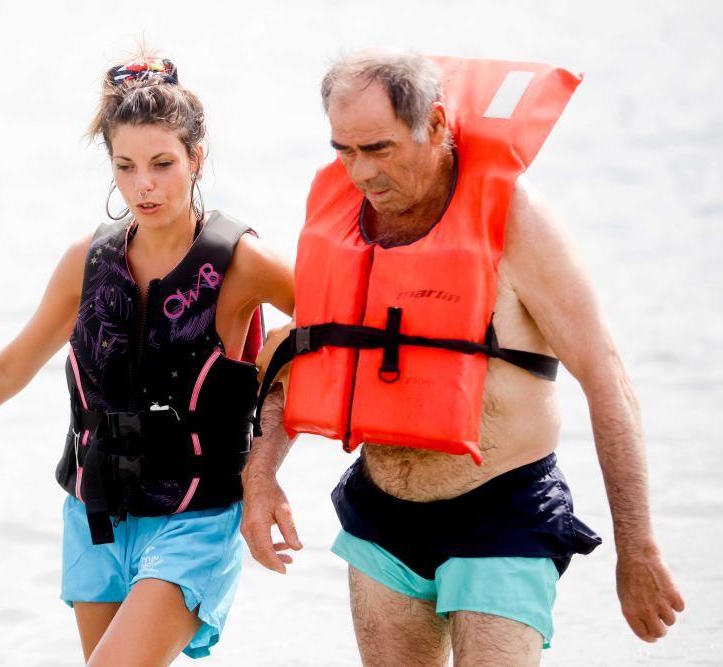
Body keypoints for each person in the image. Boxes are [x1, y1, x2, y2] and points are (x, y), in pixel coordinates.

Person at [243, 52, 684, 666]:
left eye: (380, 148)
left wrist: (636, 548)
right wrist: (260, 473)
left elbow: (609, 381)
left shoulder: (515, 220)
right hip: (381, 517)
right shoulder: (343, 218)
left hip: (501, 514)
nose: (362, 172)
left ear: (437, 123)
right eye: (345, 151)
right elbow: (301, 350)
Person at [0, 54, 294, 666]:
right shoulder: (87, 261)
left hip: (194, 517)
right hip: (95, 511)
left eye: (161, 165)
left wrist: (266, 456)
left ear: (196, 159)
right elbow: (11, 366)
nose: (143, 186)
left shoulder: (242, 261)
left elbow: (333, 326)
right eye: (125, 168)